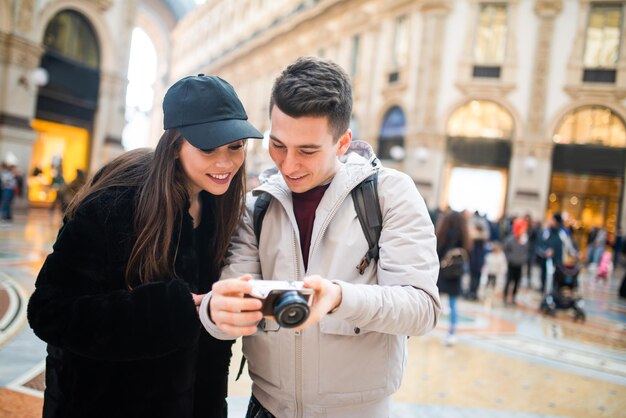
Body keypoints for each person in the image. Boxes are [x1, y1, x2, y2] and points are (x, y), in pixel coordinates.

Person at [199, 57, 441, 417]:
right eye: (277, 145)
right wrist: (214, 312)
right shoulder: (257, 205)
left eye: (307, 151)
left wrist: (339, 298)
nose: (289, 164)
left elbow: (421, 309)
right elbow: (231, 293)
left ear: (343, 142)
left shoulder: (391, 194)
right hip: (265, 408)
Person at [27, 74, 263, 418]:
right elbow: (50, 312)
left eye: (235, 146)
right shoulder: (116, 203)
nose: (225, 163)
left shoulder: (221, 209)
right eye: (208, 147)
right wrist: (180, 310)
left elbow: (210, 355)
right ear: (175, 145)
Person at [435, 210, 472, 346]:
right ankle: (452, 332)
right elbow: (468, 255)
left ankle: (424, 326)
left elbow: (437, 252)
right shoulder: (464, 236)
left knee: (433, 299)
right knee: (453, 304)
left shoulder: (444, 234)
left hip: (443, 272)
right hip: (456, 274)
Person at [503, 218, 530, 305]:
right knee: (509, 281)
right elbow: (506, 249)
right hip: (511, 263)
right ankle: (505, 297)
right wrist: (509, 258)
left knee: (517, 282)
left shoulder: (525, 240)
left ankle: (514, 297)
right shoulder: (511, 239)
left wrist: (524, 259)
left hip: (520, 264)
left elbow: (527, 250)